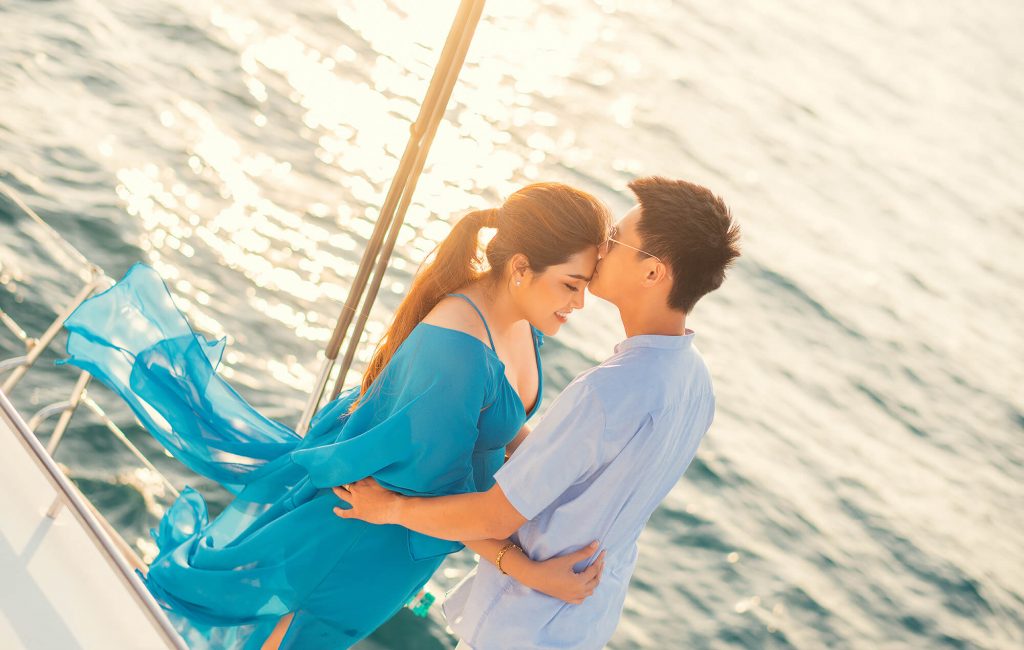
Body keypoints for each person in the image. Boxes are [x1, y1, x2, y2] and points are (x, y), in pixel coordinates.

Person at [57, 182, 611, 649]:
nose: (580, 304)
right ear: (520, 268)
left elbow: (500, 421)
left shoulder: (520, 316)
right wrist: (528, 571)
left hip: (400, 540)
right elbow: (426, 501)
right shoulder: (457, 352)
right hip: (361, 541)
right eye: (572, 285)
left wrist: (568, 467)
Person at [336, 176, 742, 649]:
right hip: (585, 621)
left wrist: (390, 508)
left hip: (524, 625)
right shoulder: (695, 384)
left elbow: (493, 518)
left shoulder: (609, 391)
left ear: (653, 272)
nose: (601, 250)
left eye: (615, 241)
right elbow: (586, 476)